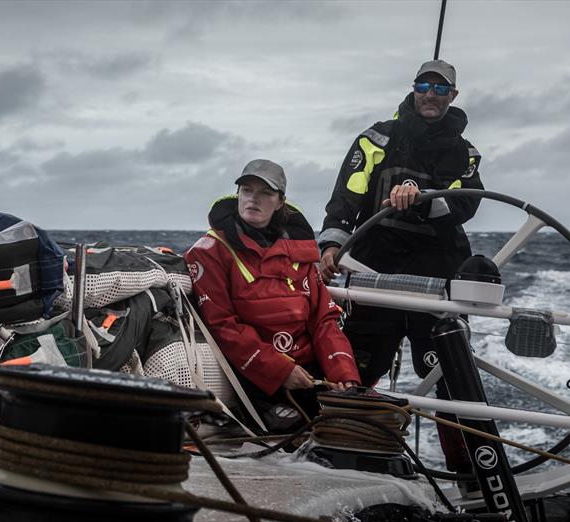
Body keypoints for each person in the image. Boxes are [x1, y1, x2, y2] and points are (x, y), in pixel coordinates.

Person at [317, 59, 483, 475]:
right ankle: (333, 463)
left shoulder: (466, 152)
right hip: (375, 275)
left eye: (441, 88)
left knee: (450, 384)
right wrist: (333, 244)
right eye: (424, 85)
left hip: (436, 282)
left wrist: (423, 196)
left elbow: (467, 204)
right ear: (413, 89)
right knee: (353, 372)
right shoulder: (377, 138)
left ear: (453, 97)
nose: (431, 93)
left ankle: (471, 480)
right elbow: (346, 196)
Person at [185, 159, 360, 432]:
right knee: (294, 435)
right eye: (247, 190)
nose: (253, 199)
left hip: (310, 372)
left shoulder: (298, 251)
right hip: (258, 376)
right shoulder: (210, 251)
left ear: (280, 202)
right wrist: (280, 371)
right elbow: (222, 326)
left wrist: (343, 375)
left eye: (265, 193)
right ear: (238, 195)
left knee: (359, 427)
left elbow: (324, 320)